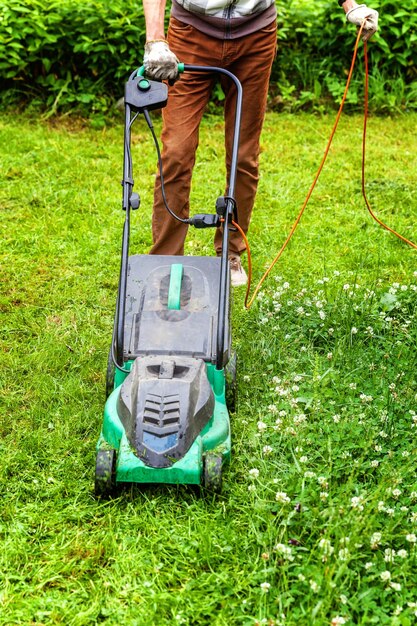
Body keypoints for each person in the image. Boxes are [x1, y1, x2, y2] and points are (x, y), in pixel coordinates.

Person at [142, 0, 378, 286]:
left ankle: (230, 251)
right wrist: (155, 40)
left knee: (244, 155)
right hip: (192, 32)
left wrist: (351, 5)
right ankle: (166, 260)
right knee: (176, 152)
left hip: (256, 37)